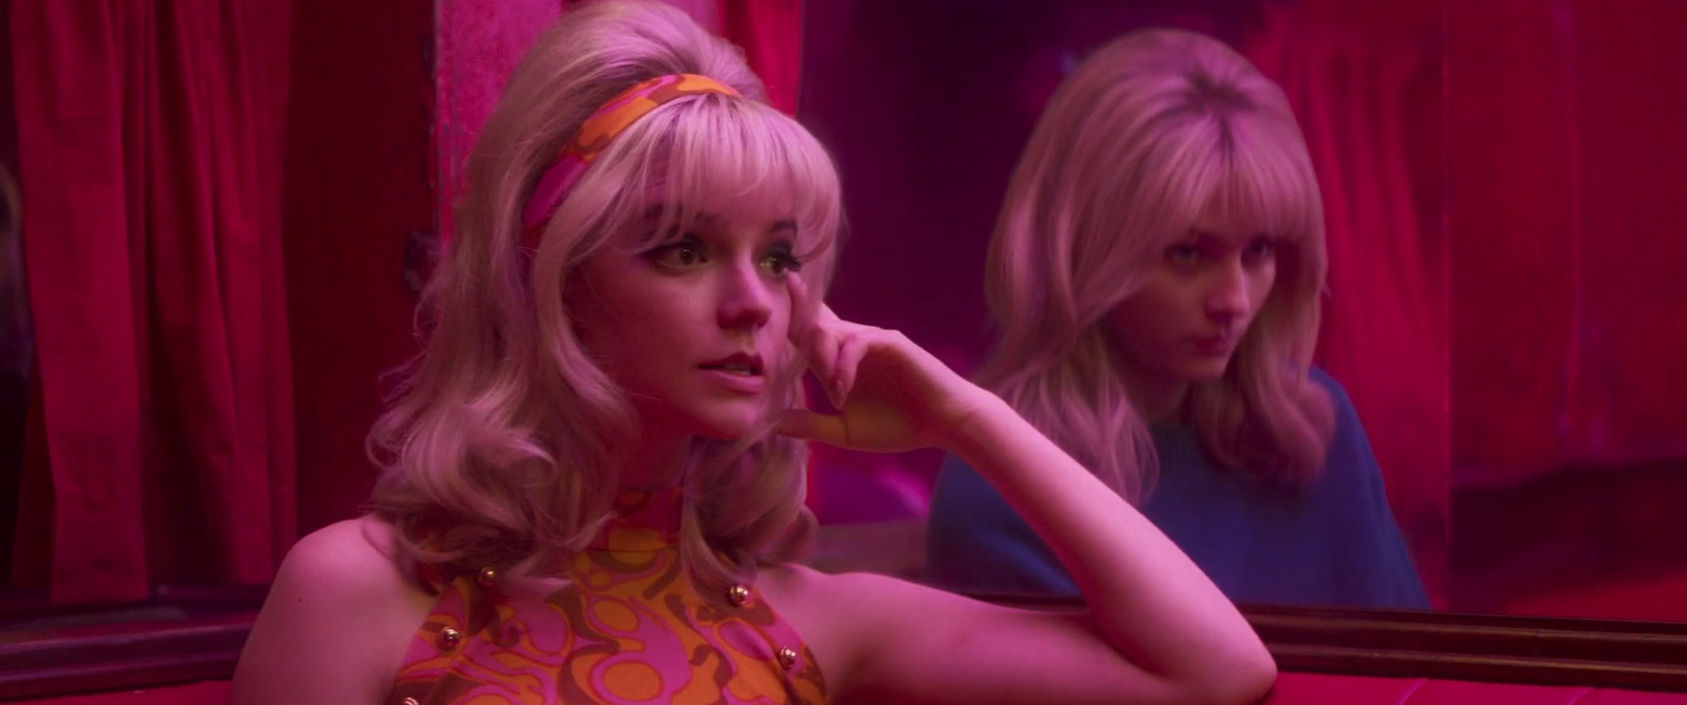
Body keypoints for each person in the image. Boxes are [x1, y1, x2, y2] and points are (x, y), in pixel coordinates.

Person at [231, 3, 1276, 704]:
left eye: (779, 257)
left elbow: (1214, 669)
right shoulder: (358, 594)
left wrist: (964, 416)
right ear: (555, 281)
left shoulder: (804, 617)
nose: (753, 303)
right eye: (682, 249)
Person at [926, 28, 1430, 610]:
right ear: (1084, 253)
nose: (1234, 300)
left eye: (1259, 250)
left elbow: (1416, 660)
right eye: (1188, 254)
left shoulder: (1316, 427)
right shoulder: (1003, 486)